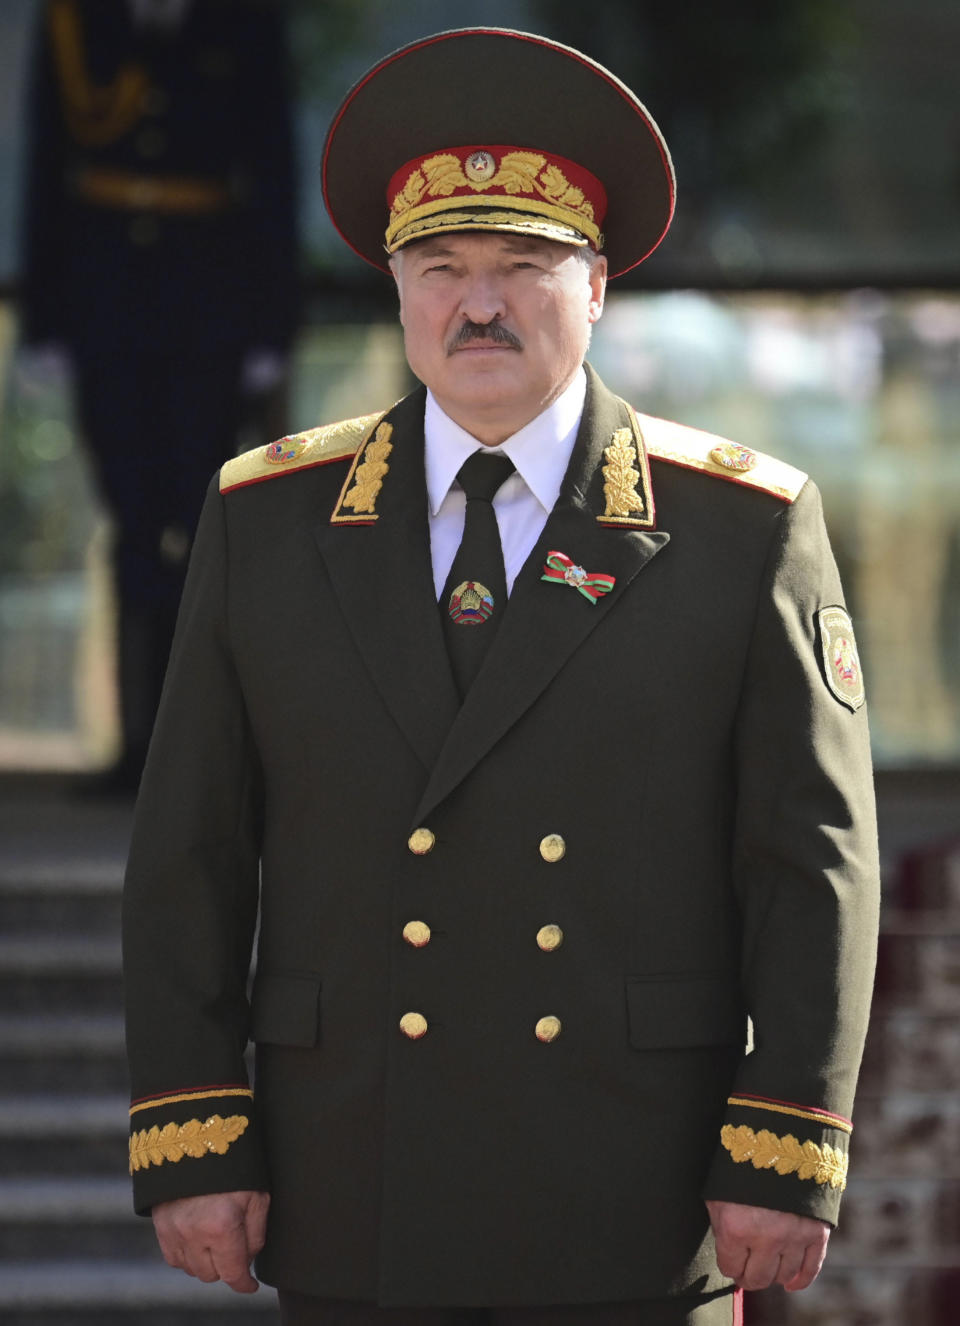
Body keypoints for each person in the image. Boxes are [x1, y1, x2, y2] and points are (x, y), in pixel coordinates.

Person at [122, 28, 880, 1326]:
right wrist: (193, 1131)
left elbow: (811, 860)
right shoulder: (267, 519)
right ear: (399, 291)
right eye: (439, 267)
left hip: (635, 1182)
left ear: (597, 289)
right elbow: (190, 844)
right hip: (356, 1172)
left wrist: (783, 1142)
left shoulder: (738, 526)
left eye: (523, 267)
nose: (478, 305)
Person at [20, 0, 299, 790]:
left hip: (207, 310)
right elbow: (48, 158)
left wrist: (270, 326)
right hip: (105, 306)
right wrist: (46, 318)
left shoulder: (243, 20)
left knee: (205, 526)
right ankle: (138, 746)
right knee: (133, 525)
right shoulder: (77, 20)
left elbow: (272, 163)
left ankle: (204, 754)